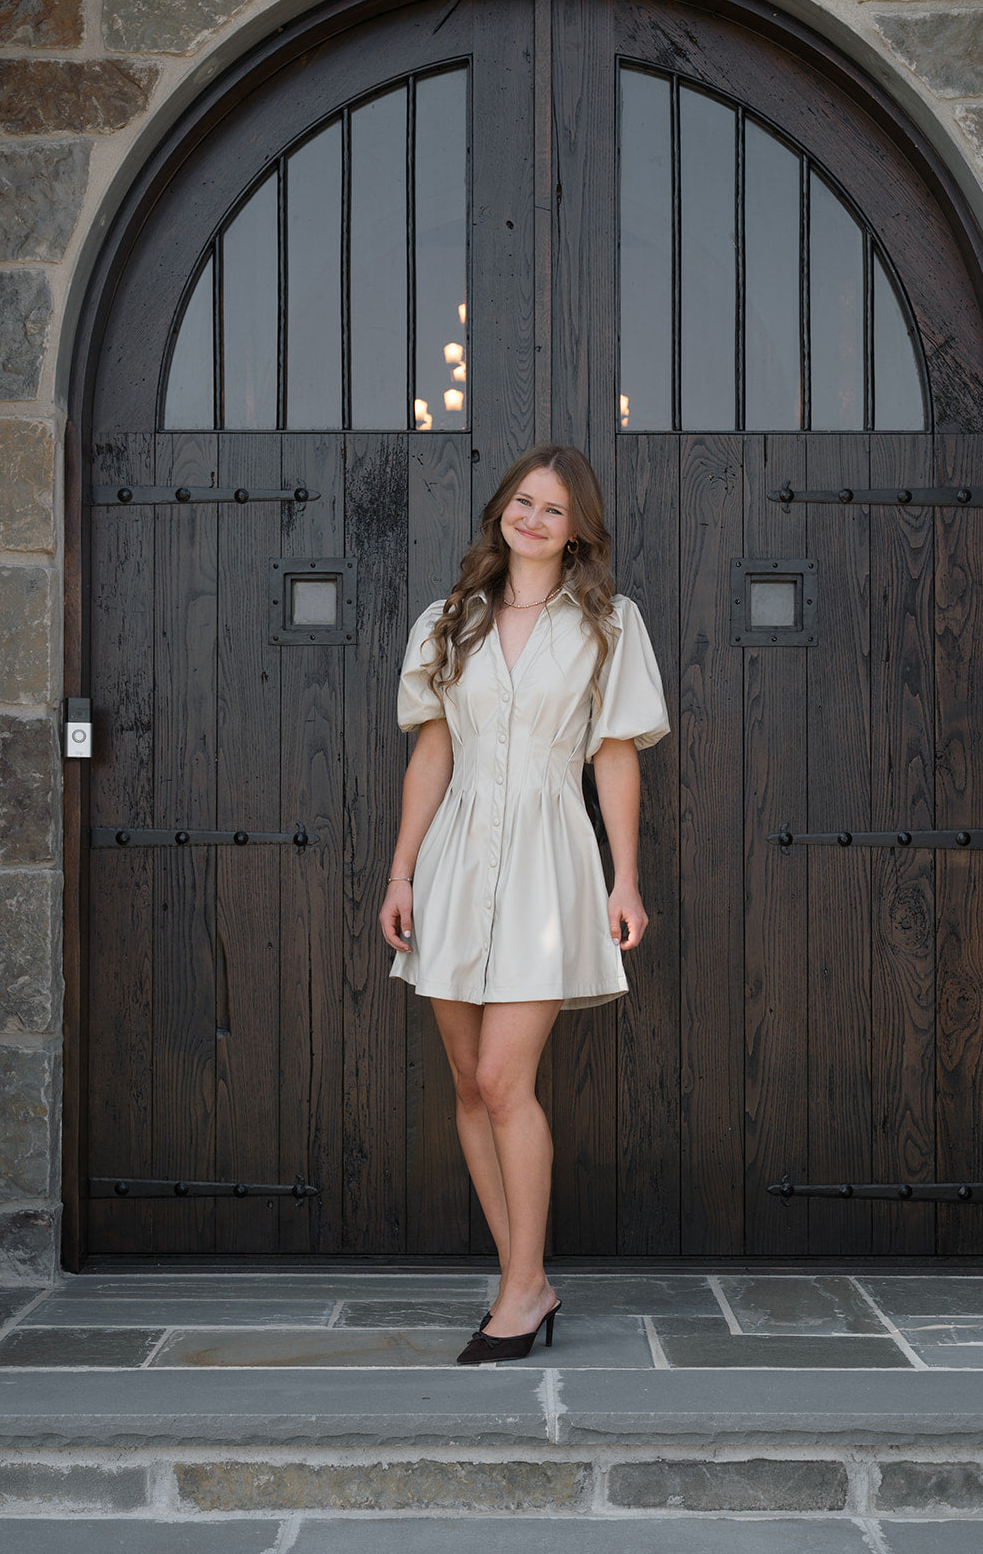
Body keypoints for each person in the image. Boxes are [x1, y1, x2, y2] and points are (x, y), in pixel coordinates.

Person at [379, 443, 669, 1364]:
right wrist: (401, 873)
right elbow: (432, 753)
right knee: (469, 1085)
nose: (533, 519)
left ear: (576, 528)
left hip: (550, 859)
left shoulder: (608, 623)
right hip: (457, 859)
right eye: (522, 502)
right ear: (501, 510)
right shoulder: (450, 619)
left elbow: (613, 754)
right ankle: (525, 1282)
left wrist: (624, 877)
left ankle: (520, 1291)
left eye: (553, 508)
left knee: (505, 1082)